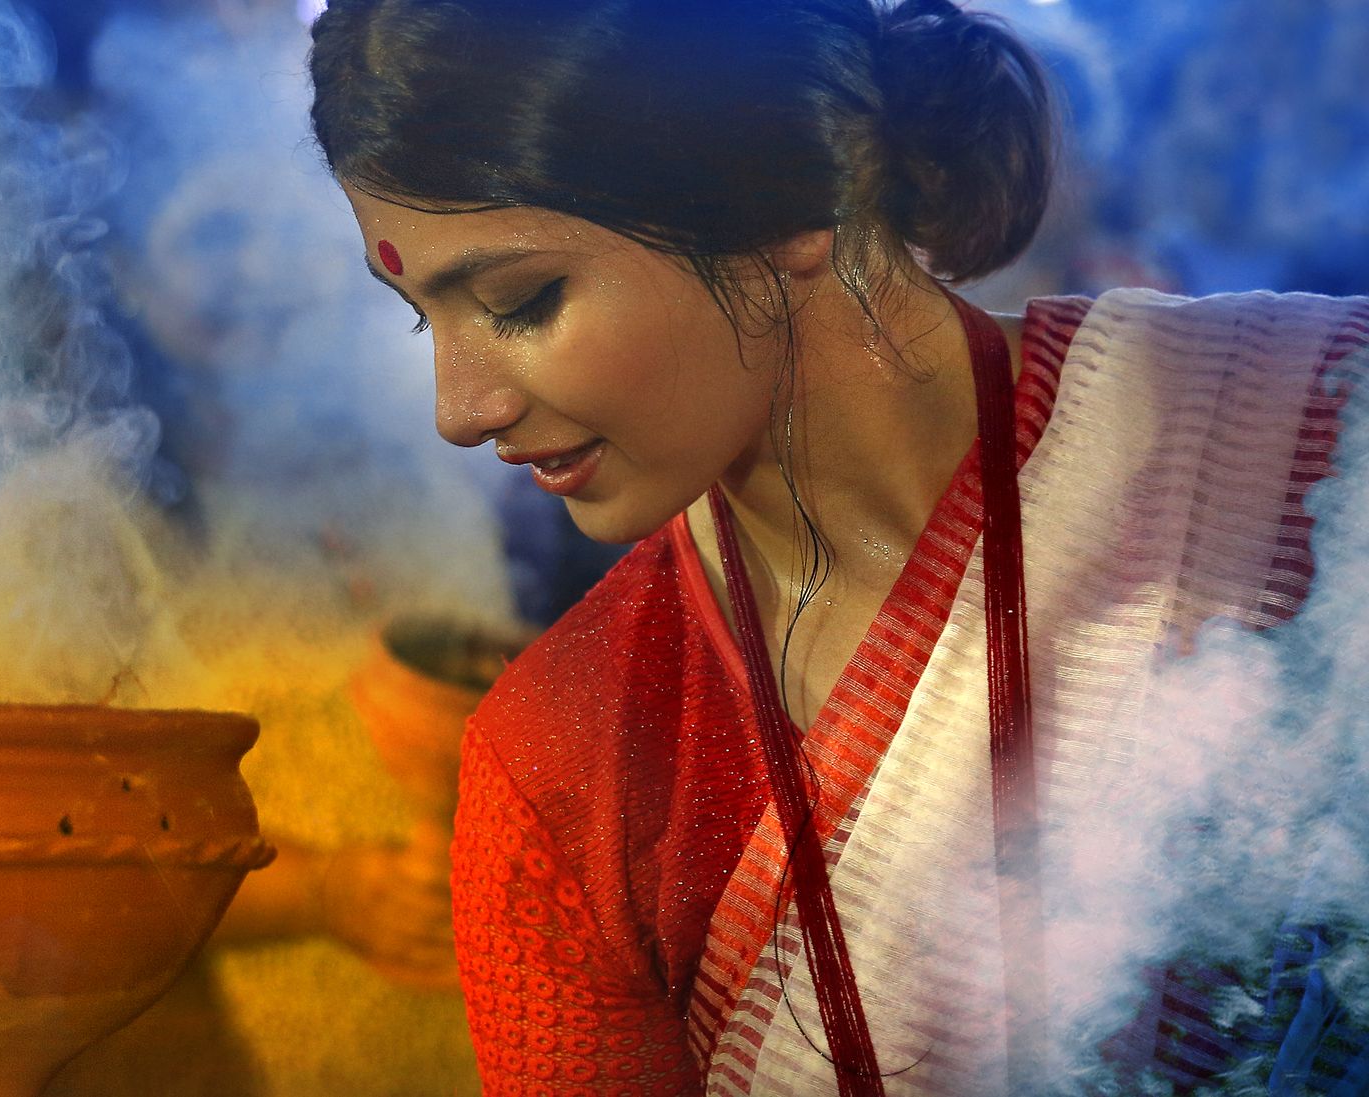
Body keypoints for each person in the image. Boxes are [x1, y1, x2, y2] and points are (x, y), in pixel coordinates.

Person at [306, 1, 1369, 1094]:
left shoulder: (1317, 431)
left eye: (522, 300)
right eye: (420, 316)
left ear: (785, 197)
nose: (459, 406)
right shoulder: (570, 763)